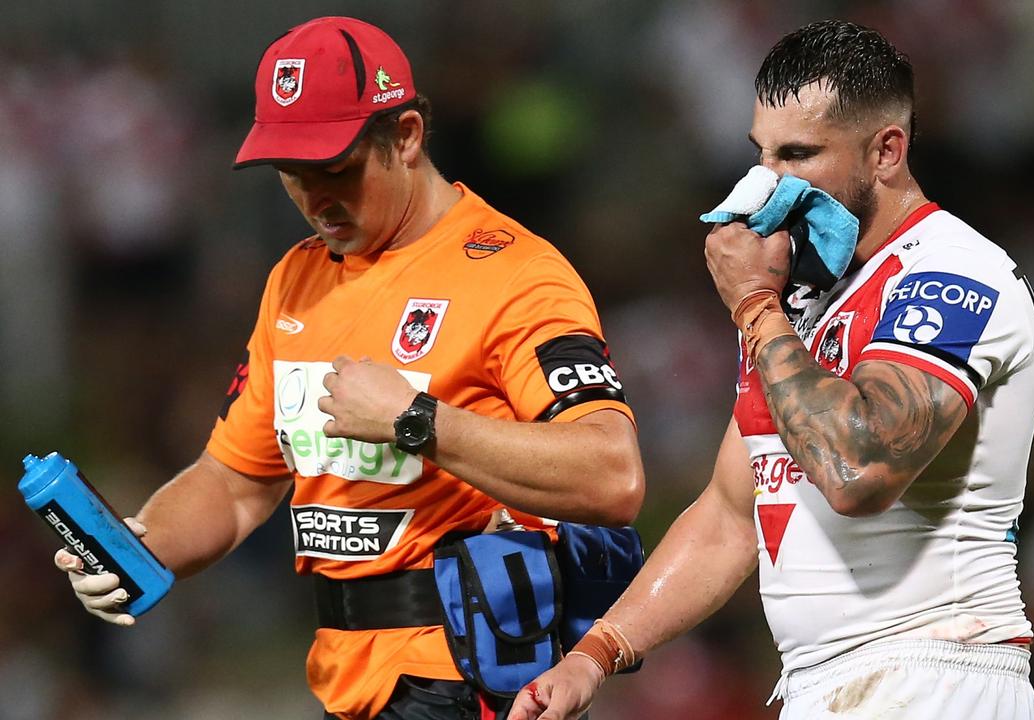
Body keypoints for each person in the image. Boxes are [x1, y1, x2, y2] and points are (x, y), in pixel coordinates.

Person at [53, 16, 644, 720]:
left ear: (406, 137)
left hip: (468, 679)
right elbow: (237, 482)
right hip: (343, 678)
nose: (314, 198)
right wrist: (139, 546)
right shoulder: (295, 280)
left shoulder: (515, 274)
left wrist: (413, 421)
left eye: (335, 169)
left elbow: (613, 474)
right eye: (291, 174)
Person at [513, 20, 1034, 720]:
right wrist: (597, 654)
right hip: (823, 685)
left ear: (887, 150)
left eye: (799, 154)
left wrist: (757, 309)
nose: (768, 183)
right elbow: (733, 513)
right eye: (761, 153)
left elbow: (861, 470)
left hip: (939, 671)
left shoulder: (951, 274)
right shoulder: (797, 299)